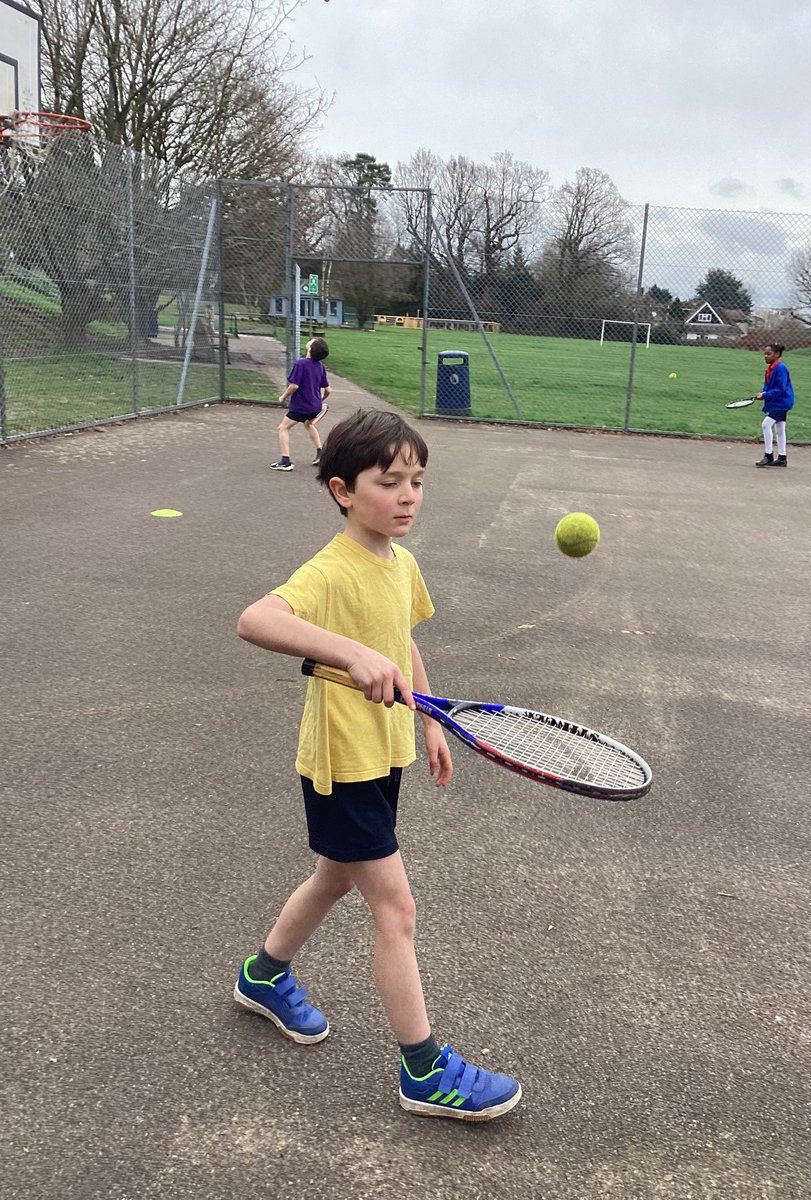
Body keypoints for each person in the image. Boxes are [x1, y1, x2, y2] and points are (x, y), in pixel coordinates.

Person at [236, 408, 522, 1122]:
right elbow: (256, 619)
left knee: (334, 878)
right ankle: (424, 1070)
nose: (407, 496)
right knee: (395, 907)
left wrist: (427, 716)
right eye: (388, 481)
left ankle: (264, 976)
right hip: (342, 761)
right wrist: (349, 653)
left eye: (417, 481)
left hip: (383, 752)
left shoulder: (403, 563)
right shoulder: (330, 571)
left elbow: (402, 642)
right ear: (342, 490)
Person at [271, 336, 332, 471]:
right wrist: (320, 400)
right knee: (309, 424)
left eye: (312, 341)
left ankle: (285, 461)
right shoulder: (320, 367)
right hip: (315, 406)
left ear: (310, 348)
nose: (310, 340)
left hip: (301, 406)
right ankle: (320, 453)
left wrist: (283, 397)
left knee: (283, 428)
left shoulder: (301, 363)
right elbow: (328, 390)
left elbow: (294, 386)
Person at [755, 343, 794, 468]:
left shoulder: (780, 368)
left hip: (782, 402)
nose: (765, 356)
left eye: (769, 354)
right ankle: (782, 458)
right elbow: (768, 386)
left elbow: (781, 388)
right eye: (764, 354)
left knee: (766, 425)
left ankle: (768, 456)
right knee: (780, 429)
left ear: (777, 355)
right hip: (778, 402)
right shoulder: (771, 368)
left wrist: (765, 395)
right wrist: (763, 393)